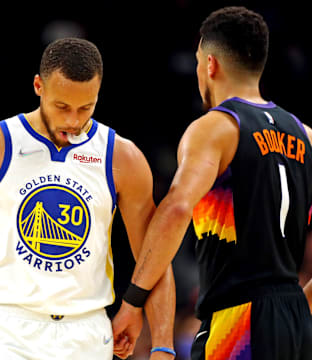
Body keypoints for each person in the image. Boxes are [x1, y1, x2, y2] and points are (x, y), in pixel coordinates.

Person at [0, 37, 176, 360]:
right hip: (7, 329)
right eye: (62, 107)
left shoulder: (122, 158)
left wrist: (163, 347)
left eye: (86, 108)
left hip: (87, 330)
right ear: (38, 86)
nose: (73, 120)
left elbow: (154, 256)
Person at [112, 6, 312, 360]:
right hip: (294, 318)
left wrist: (133, 301)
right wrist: (300, 310)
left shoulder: (216, 128)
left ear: (210, 64)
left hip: (237, 319)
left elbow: (176, 209)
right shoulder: (306, 136)